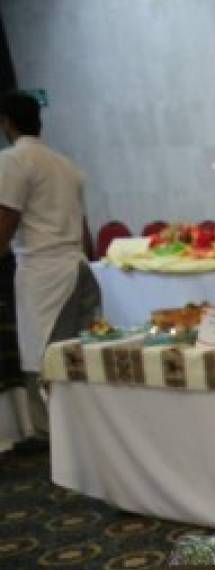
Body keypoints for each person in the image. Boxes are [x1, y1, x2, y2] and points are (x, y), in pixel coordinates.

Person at [0, 91, 100, 448]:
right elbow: (84, 225)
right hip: (77, 265)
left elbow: (7, 217)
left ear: (7, 122)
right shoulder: (64, 163)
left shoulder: (14, 161)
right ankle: (84, 426)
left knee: (45, 355)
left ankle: (55, 434)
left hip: (44, 271)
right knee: (78, 355)